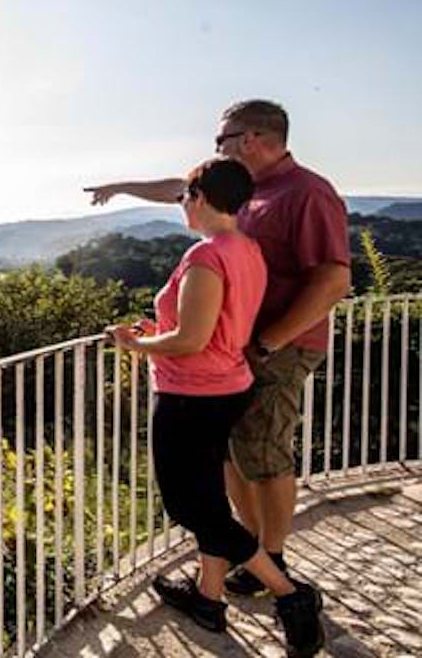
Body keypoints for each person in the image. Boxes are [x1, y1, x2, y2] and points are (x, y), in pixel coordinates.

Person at [86, 100, 350, 598]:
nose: (217, 148)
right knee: (231, 457)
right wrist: (120, 187)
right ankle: (237, 562)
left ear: (250, 139)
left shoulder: (306, 193)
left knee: (263, 454)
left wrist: (269, 342)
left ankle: (271, 566)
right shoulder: (241, 190)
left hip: (274, 346)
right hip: (234, 352)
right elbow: (179, 187)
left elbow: (334, 279)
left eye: (221, 140)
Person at [106, 159, 322, 654]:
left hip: (191, 395)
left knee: (191, 506)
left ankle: (291, 594)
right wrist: (160, 333)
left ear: (200, 198)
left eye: (185, 196)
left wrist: (133, 345)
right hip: (226, 388)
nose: (182, 203)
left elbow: (190, 340)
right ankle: (209, 597)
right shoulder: (247, 249)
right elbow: (217, 326)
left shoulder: (207, 257)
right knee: (207, 497)